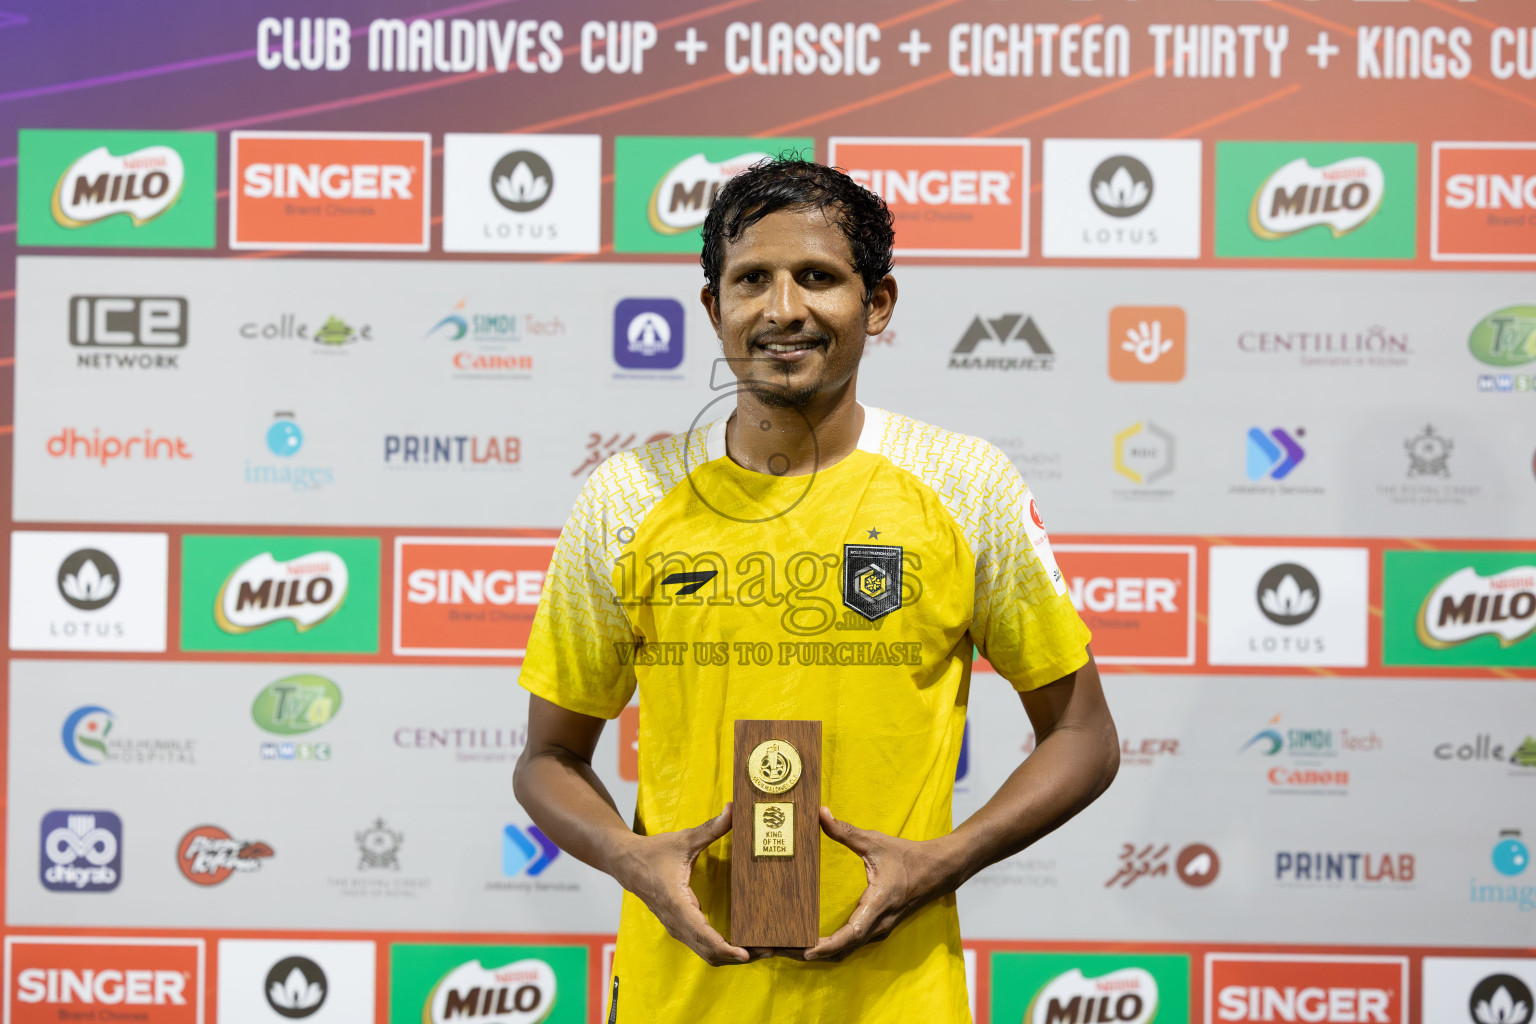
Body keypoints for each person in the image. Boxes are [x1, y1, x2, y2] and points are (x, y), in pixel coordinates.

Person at [513, 157, 1119, 1023]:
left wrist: (945, 858)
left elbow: (1084, 736)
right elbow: (548, 758)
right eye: (751, 279)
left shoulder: (963, 484)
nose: (783, 309)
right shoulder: (626, 498)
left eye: (818, 277)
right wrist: (626, 856)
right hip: (678, 998)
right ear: (713, 307)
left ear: (877, 303)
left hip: (897, 997)